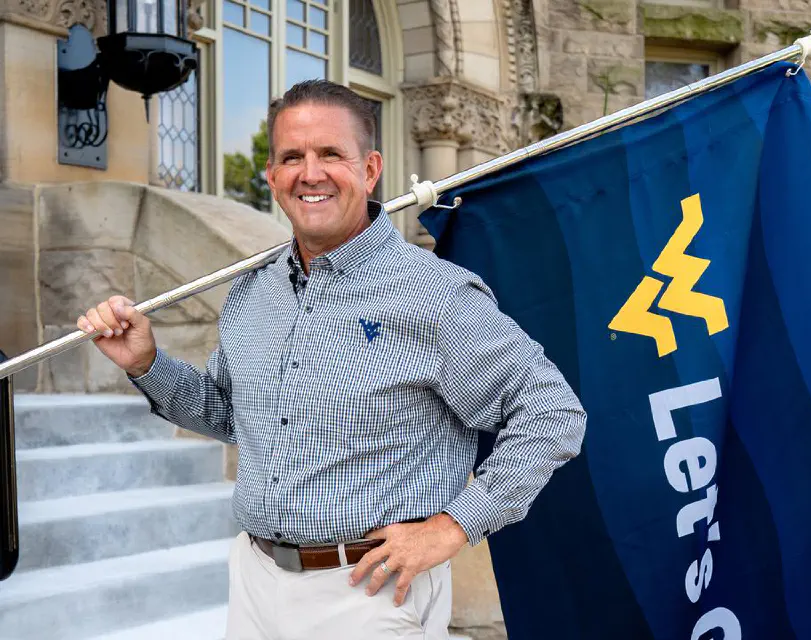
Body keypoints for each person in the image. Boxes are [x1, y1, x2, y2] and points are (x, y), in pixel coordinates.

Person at [78, 80, 586, 640]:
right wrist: (146, 363)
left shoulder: (436, 295)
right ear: (272, 176)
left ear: (370, 170)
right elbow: (230, 416)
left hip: (369, 593)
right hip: (254, 581)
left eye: (330, 154)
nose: (310, 173)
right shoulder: (253, 292)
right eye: (292, 157)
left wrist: (453, 526)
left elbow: (552, 413)